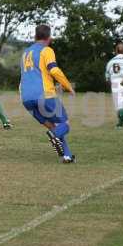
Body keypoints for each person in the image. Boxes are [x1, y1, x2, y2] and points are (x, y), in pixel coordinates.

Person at [20, 24, 76, 163]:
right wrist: (68, 86)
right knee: (65, 124)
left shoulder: (25, 53)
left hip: (26, 99)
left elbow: (24, 77)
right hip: (44, 95)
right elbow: (54, 70)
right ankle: (54, 135)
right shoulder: (46, 50)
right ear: (49, 38)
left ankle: (67, 156)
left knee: (54, 126)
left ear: (35, 36)